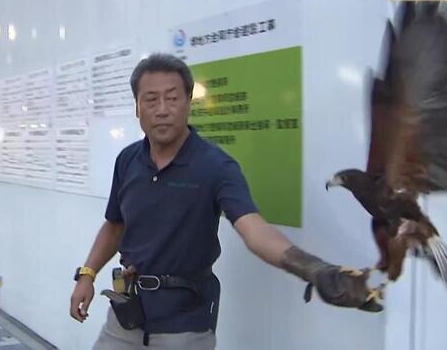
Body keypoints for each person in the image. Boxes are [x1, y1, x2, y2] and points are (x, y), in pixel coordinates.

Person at [69, 53, 380, 349]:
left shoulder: (216, 166)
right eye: (150, 100)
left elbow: (255, 230)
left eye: (172, 98)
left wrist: (314, 269)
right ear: (137, 107)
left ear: (189, 102)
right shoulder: (127, 161)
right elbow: (115, 225)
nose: (162, 109)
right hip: (126, 316)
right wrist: (87, 274)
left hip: (184, 326)